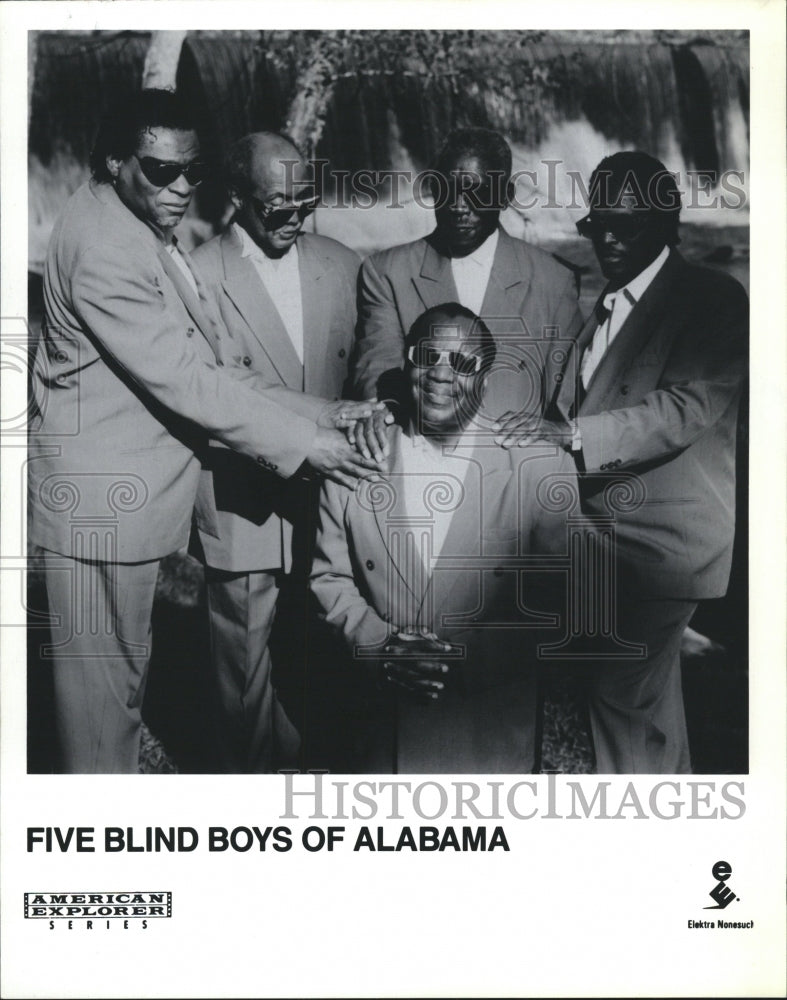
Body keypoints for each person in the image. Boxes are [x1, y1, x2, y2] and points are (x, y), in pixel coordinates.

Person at [29, 90, 379, 773]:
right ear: (114, 161)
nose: (182, 187)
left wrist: (325, 413)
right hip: (101, 507)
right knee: (100, 721)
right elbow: (188, 382)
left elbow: (213, 367)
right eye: (162, 171)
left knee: (118, 698)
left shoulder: (134, 221)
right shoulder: (105, 248)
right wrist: (308, 446)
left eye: (193, 170)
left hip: (118, 504)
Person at [494, 150, 749, 774]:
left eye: (624, 226)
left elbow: (685, 407)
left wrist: (571, 433)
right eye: (596, 224)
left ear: (666, 223)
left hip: (663, 545)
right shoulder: (609, 300)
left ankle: (628, 828)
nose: (606, 239)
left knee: (617, 696)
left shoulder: (712, 297)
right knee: (648, 707)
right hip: (606, 541)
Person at [190, 132, 382, 772]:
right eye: (278, 205)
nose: (295, 217)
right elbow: (216, 388)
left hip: (333, 498)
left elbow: (370, 364)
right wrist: (321, 422)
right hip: (243, 501)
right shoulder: (198, 274)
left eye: (307, 202)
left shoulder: (343, 262)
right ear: (236, 195)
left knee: (330, 653)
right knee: (243, 679)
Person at [311, 303, 571, 772]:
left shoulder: (538, 468)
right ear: (407, 365)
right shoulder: (354, 460)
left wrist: (453, 661)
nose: (441, 374)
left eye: (463, 363)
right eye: (428, 356)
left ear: (485, 382)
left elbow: (559, 600)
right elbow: (329, 580)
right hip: (380, 736)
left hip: (486, 734)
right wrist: (380, 649)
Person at [350, 126, 583, 421]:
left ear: (506, 195)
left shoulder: (555, 281)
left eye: (477, 193)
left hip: (511, 448)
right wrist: (384, 416)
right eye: (446, 190)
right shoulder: (386, 273)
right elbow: (378, 372)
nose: (459, 207)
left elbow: (565, 401)